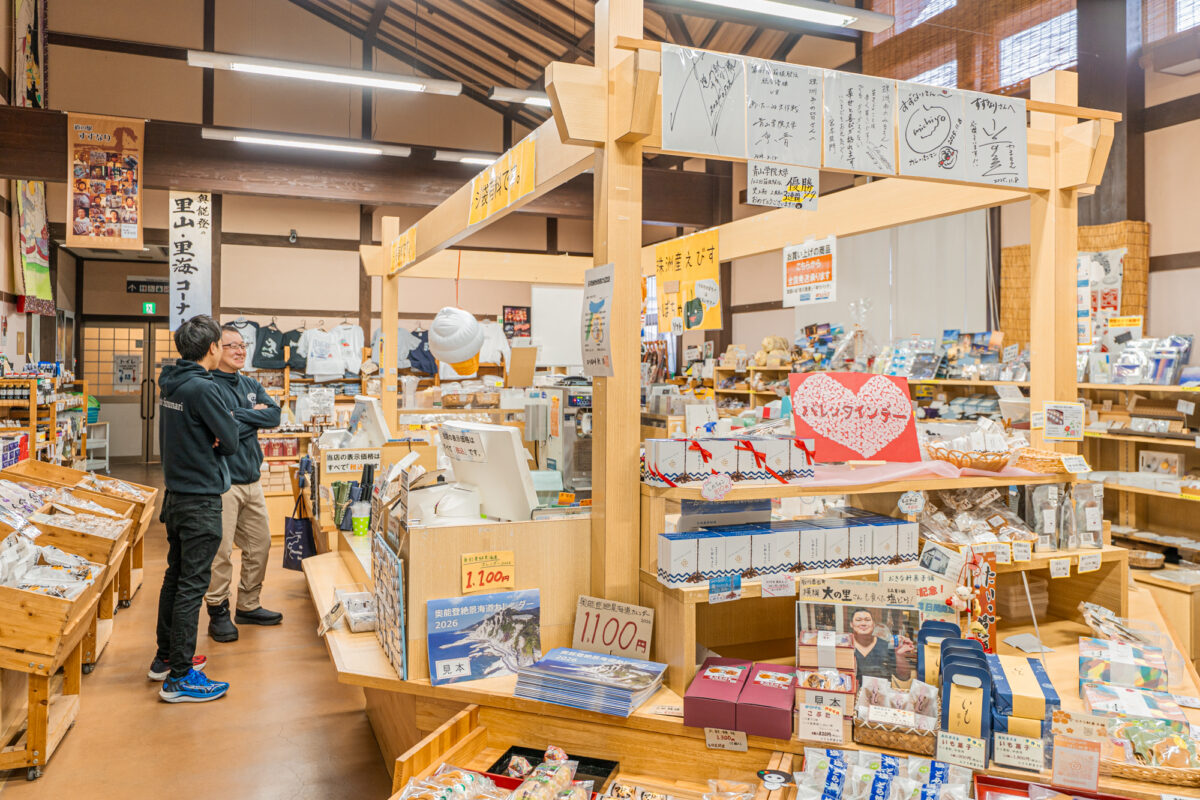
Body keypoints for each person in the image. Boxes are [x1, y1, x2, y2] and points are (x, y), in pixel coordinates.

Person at [151, 315, 239, 703]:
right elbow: (232, 439)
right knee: (191, 585)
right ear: (212, 349)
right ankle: (181, 677)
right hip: (200, 498)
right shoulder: (203, 388)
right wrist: (219, 439)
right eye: (222, 344)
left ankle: (166, 657)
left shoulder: (170, 381)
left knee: (176, 577)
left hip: (175, 494)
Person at [205, 324, 283, 641]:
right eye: (231, 345)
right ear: (215, 349)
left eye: (243, 345)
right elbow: (218, 429)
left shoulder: (250, 383)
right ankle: (218, 611)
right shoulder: (208, 385)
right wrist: (250, 415)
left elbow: (275, 415)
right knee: (221, 553)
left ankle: (248, 605)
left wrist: (236, 417)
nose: (239, 350)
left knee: (261, 545)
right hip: (223, 481)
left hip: (253, 479)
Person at [849, 606, 914, 688]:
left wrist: (899, 655)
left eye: (867, 620)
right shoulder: (845, 647)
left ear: (873, 624)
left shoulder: (886, 646)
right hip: (851, 697)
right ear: (851, 624)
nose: (863, 623)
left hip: (880, 697)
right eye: (858, 620)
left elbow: (904, 677)